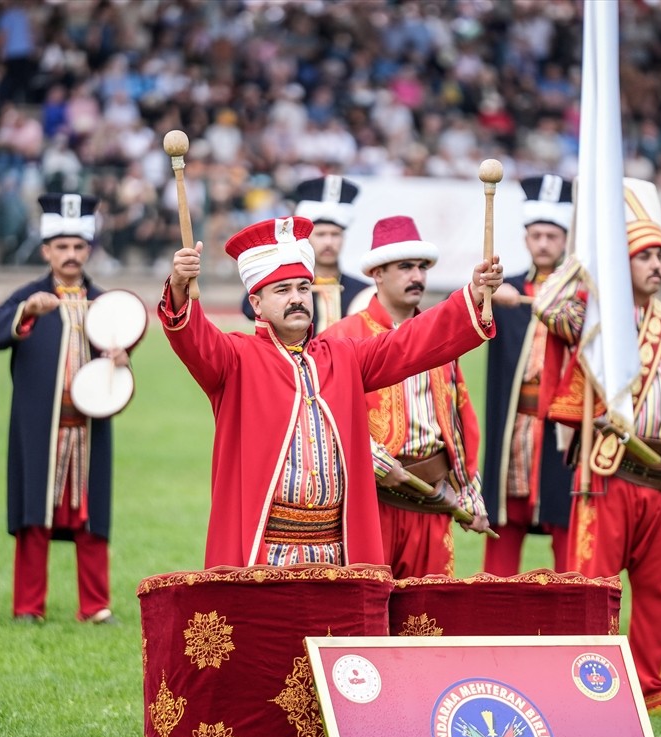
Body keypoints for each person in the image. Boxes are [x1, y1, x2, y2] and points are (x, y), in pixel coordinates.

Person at [163, 215, 502, 569]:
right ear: (257, 303)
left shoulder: (343, 355)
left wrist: (473, 296)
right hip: (266, 552)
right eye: (282, 290)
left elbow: (411, 342)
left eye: (302, 288)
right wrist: (179, 287)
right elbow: (194, 339)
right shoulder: (235, 359)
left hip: (338, 550)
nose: (296, 299)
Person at [536, 178, 661, 720]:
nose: (657, 266)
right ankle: (585, 688)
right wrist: (587, 258)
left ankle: (656, 692)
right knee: (592, 589)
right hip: (608, 473)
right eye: (643, 256)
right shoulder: (595, 319)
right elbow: (546, 302)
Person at [0, 193, 132, 624]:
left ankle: (96, 606)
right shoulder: (29, 296)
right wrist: (26, 312)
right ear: (46, 250)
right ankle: (28, 606)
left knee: (91, 516)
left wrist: (122, 361)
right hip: (39, 425)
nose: (70, 255)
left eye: (78, 247)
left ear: (89, 250)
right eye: (61, 247)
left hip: (89, 425)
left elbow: (122, 351)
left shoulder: (105, 303)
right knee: (35, 513)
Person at [321, 215, 491, 578]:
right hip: (373, 503)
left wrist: (468, 487)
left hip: (432, 501)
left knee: (427, 622)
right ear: (377, 273)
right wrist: (366, 455)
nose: (417, 276)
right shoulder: (343, 335)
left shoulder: (439, 335)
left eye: (422, 267)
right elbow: (326, 417)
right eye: (405, 267)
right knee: (366, 618)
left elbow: (459, 415)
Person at [482, 175, 576, 575]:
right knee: (506, 515)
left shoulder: (582, 293)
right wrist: (484, 295)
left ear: (565, 238)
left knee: (565, 518)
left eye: (551, 235)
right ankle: (494, 606)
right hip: (515, 421)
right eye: (536, 234)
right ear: (525, 238)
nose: (543, 243)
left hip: (562, 423)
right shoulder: (504, 291)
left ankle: (575, 611)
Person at [240, 176, 370, 332]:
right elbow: (249, 308)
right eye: (321, 235)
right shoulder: (288, 288)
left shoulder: (362, 292)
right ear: (307, 238)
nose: (328, 242)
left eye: (335, 235)